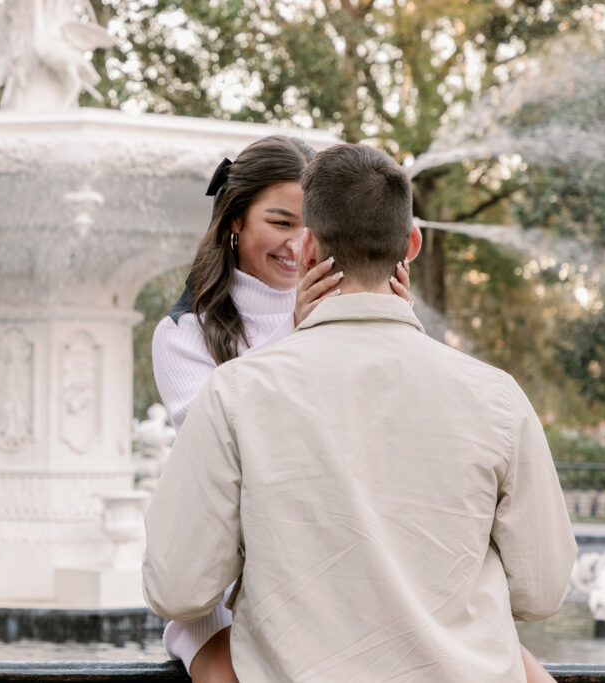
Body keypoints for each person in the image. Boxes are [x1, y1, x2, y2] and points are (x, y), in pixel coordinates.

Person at [145, 143, 576, 681]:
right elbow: (541, 590)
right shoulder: (498, 395)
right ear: (412, 243)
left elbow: (178, 587)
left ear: (309, 248)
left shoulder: (235, 392)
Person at [151, 135, 410, 681]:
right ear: (234, 222)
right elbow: (220, 441)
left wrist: (395, 328)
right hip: (227, 577)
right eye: (280, 221)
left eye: (308, 225)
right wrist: (299, 334)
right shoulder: (184, 334)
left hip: (333, 554)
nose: (298, 243)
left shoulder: (353, 302)